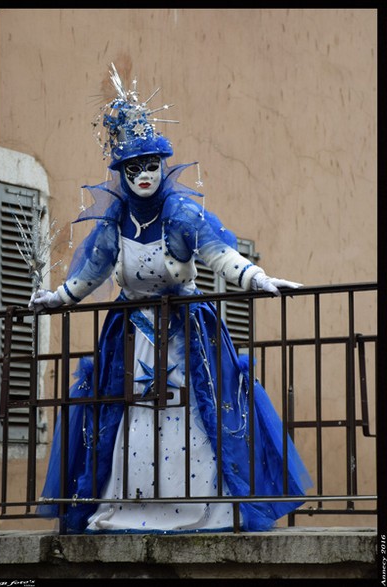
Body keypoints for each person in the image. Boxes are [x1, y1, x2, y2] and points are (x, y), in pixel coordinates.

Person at [30, 64, 312, 534]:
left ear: (164, 166)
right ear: (121, 173)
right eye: (133, 167)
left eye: (151, 165)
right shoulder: (114, 222)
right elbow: (87, 276)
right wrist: (55, 299)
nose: (144, 174)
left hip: (185, 334)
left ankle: (204, 511)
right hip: (131, 337)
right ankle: (128, 510)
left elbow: (221, 256)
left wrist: (258, 279)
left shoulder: (182, 214)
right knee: (130, 414)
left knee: (193, 413)